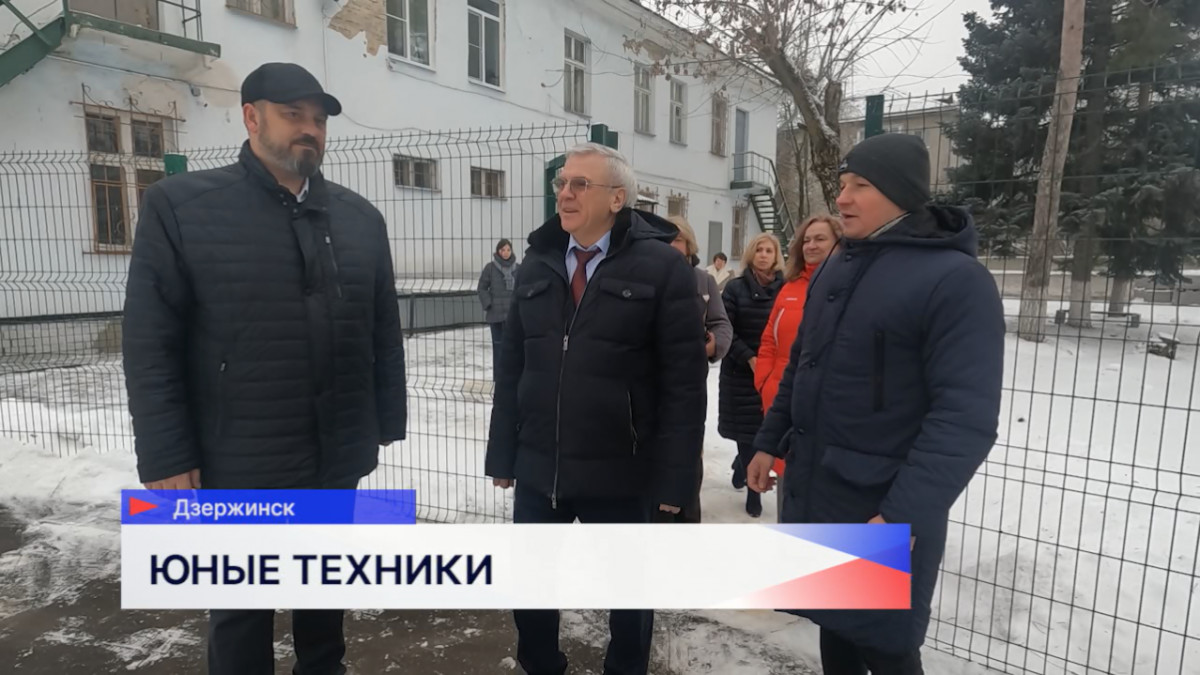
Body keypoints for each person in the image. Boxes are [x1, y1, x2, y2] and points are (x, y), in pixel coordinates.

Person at [121, 62, 408, 675]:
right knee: (241, 614)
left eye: (319, 119)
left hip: (335, 453)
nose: (310, 129)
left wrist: (384, 421)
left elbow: (382, 327)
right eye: (293, 114)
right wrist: (167, 453)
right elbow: (151, 340)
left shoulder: (360, 219)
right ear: (252, 118)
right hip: (239, 459)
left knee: (323, 600)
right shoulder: (183, 207)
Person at [746, 133, 1005, 674]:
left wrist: (901, 516)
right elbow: (803, 367)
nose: (842, 198)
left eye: (860, 185)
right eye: (842, 184)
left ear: (901, 192)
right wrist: (769, 442)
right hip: (821, 489)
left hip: (879, 506)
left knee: (886, 648)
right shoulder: (837, 266)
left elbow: (965, 419)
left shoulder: (957, 281)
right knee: (835, 626)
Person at [485, 142, 707, 675]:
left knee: (629, 597)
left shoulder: (662, 267)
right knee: (531, 587)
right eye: (562, 183)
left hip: (622, 471)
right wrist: (503, 453)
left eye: (580, 184)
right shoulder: (538, 261)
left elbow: (684, 383)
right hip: (541, 466)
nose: (565, 193)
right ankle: (541, 665)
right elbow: (511, 367)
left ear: (617, 198)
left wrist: (676, 479)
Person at [753, 214, 841, 520]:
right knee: (789, 492)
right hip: (782, 401)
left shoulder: (849, 286)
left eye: (820, 239)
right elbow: (769, 339)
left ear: (839, 243)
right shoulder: (790, 286)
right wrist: (765, 381)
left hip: (827, 409)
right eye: (806, 240)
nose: (811, 245)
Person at [661, 214, 733, 523]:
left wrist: (712, 345)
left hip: (689, 382)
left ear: (689, 246)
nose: (670, 245)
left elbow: (721, 323)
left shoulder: (703, 281)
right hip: (650, 381)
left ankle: (687, 518)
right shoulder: (644, 275)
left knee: (687, 452)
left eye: (677, 239)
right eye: (664, 239)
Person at [718, 232, 784, 518]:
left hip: (773, 371)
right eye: (759, 250)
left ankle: (741, 464)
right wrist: (749, 358)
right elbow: (725, 329)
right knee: (746, 431)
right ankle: (753, 492)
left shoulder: (786, 288)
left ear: (776, 256)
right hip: (740, 371)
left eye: (769, 250)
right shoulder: (735, 288)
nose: (764, 255)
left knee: (766, 429)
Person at [478, 238, 519, 379]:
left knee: (514, 347)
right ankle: (499, 378)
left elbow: (522, 288)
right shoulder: (490, 268)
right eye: (503, 250)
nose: (506, 252)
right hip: (496, 316)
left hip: (513, 316)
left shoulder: (518, 268)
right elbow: (482, 288)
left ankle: (513, 377)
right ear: (498, 251)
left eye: (508, 249)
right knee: (498, 348)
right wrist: (488, 304)